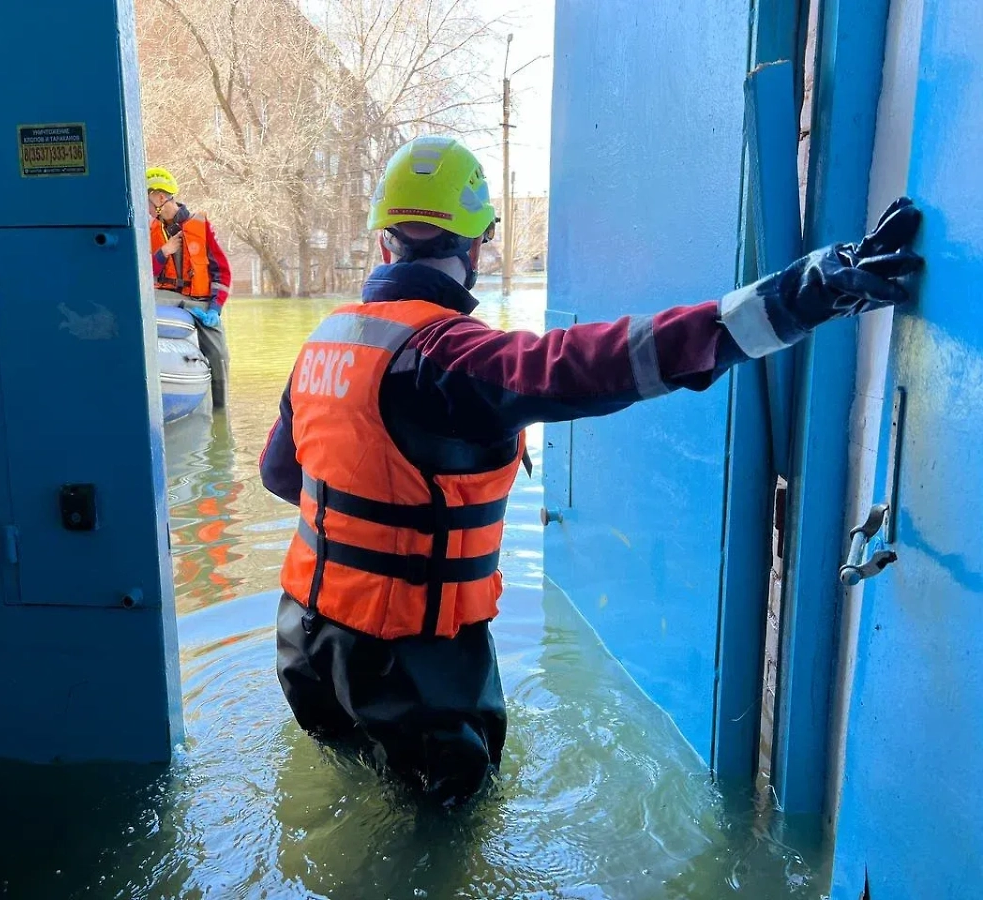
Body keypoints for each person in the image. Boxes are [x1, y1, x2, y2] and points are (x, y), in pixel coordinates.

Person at [258, 135, 923, 805]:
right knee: (443, 835)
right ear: (475, 248)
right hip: (412, 668)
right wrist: (794, 299)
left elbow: (281, 476)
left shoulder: (325, 343)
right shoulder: (448, 357)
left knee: (345, 794)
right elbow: (597, 362)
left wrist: (375, 524)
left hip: (306, 644)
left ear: (383, 245)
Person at [146, 167, 233, 408]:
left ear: (160, 198)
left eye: (147, 200)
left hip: (200, 301)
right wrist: (163, 253)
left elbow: (222, 272)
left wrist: (215, 309)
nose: (147, 208)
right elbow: (142, 273)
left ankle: (220, 413)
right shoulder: (148, 230)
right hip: (165, 297)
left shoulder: (201, 227)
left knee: (219, 355)